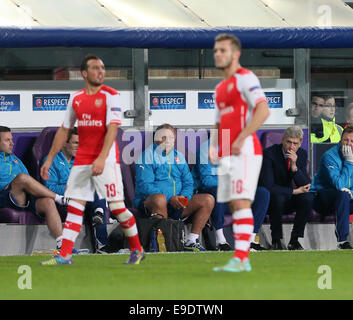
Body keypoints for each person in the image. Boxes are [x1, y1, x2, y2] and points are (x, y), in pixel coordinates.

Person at [40, 54, 144, 265]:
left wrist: (102, 158)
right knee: (75, 207)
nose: (101, 71)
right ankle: (65, 255)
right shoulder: (76, 98)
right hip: (82, 160)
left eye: (103, 68)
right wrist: (49, 158)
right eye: (96, 68)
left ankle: (137, 248)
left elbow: (112, 129)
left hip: (106, 161)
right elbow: (65, 129)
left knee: (117, 208)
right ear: (85, 73)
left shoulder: (111, 95)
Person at [210, 33, 270, 273]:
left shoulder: (246, 78)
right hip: (227, 152)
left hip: (245, 149)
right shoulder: (220, 87)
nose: (218, 54)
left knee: (240, 201)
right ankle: (241, 257)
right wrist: (215, 146)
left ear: (236, 54)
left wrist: (241, 138)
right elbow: (219, 123)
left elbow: (263, 111)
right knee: (235, 204)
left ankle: (241, 258)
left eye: (223, 50)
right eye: (216, 50)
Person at [134, 123, 214, 252]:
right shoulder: (146, 156)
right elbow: (145, 186)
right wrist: (170, 198)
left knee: (208, 199)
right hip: (152, 204)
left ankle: (191, 240)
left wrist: (183, 198)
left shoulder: (179, 156)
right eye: (164, 137)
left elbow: (189, 182)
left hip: (177, 203)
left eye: (171, 138)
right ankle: (166, 243)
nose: (168, 141)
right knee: (159, 198)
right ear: (157, 139)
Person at [41, 127, 110, 253]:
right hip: (61, 201)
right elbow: (48, 188)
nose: (79, 147)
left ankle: (101, 241)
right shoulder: (50, 160)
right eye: (76, 143)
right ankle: (102, 243)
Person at [192, 139, 270, 251]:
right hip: (213, 196)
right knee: (218, 190)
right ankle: (221, 241)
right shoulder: (206, 149)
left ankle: (250, 241)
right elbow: (206, 180)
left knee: (262, 193)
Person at [0, 126, 67, 250]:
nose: (12, 143)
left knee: (48, 202)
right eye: (7, 140)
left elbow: (29, 181)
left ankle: (62, 245)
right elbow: (23, 180)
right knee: (22, 178)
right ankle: (60, 198)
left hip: (25, 197)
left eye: (12, 139)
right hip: (5, 197)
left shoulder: (15, 160)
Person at [259, 126, 314, 250]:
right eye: (288, 142)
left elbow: (305, 184)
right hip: (271, 200)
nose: (291, 147)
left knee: (307, 198)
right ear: (283, 140)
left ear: (300, 143)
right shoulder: (269, 154)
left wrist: (294, 166)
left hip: (288, 198)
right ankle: (276, 239)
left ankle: (294, 240)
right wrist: (294, 191)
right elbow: (268, 186)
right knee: (277, 198)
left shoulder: (301, 154)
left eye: (295, 143)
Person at [310, 125, 353, 249]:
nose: (348, 144)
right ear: (340, 140)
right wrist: (349, 162)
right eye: (345, 140)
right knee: (343, 195)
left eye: (352, 141)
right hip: (322, 199)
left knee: (345, 196)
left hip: (345, 199)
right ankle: (342, 241)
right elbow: (339, 185)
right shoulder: (330, 156)